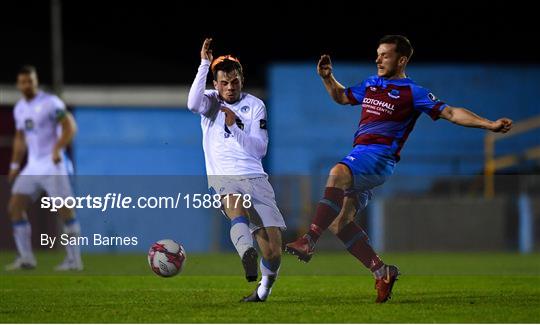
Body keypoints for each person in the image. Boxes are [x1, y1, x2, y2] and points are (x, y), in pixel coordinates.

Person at [285, 35, 513, 303]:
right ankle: (382, 271)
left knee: (337, 172)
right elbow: (341, 96)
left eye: (385, 55)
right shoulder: (372, 84)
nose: (378, 59)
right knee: (340, 223)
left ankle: (309, 240)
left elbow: (450, 112)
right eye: (378, 54)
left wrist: (490, 125)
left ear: (401, 60)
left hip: (379, 158)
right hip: (361, 156)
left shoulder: (413, 92)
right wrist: (327, 77)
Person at [187, 38, 286, 302]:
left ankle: (262, 291)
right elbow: (192, 104)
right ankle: (246, 254)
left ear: (241, 78)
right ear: (215, 84)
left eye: (235, 81)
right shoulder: (210, 103)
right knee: (235, 208)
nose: (230, 88)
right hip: (224, 177)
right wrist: (204, 63)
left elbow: (260, 149)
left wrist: (235, 128)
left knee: (274, 251)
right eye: (223, 83)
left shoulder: (254, 105)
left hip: (256, 177)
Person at [7, 65, 82, 271]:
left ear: (36, 81)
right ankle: (26, 258)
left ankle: (74, 260)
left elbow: (70, 125)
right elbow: (20, 138)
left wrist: (58, 148)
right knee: (15, 207)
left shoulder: (50, 103)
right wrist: (14, 164)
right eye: (23, 81)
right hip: (32, 166)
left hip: (53, 164)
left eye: (30, 80)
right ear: (18, 84)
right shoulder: (20, 108)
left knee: (64, 210)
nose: (27, 85)